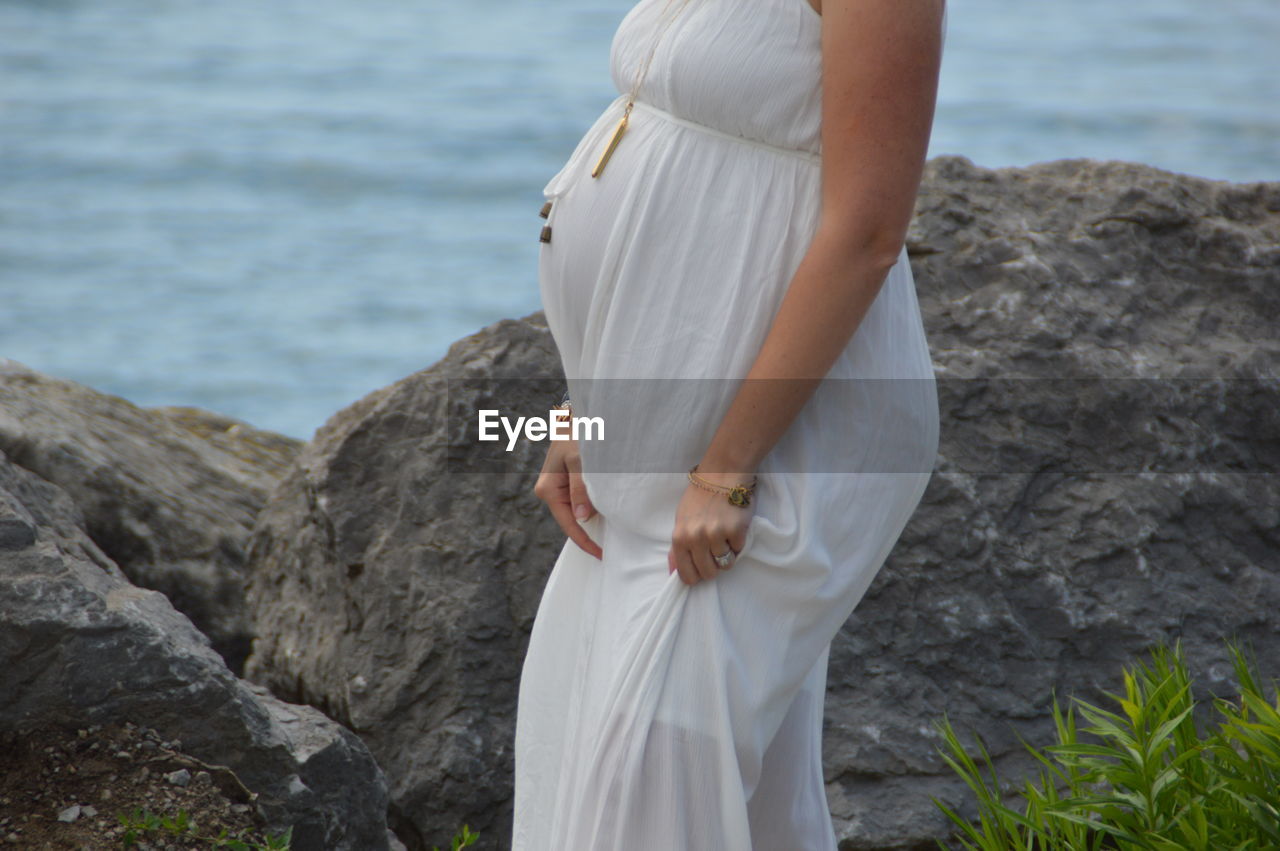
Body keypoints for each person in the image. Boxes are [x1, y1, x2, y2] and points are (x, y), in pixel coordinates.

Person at [514, 0, 945, 846]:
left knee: (644, 790)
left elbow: (867, 231)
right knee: (706, 796)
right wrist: (586, 414)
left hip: (778, 435)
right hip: (654, 432)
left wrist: (728, 466)